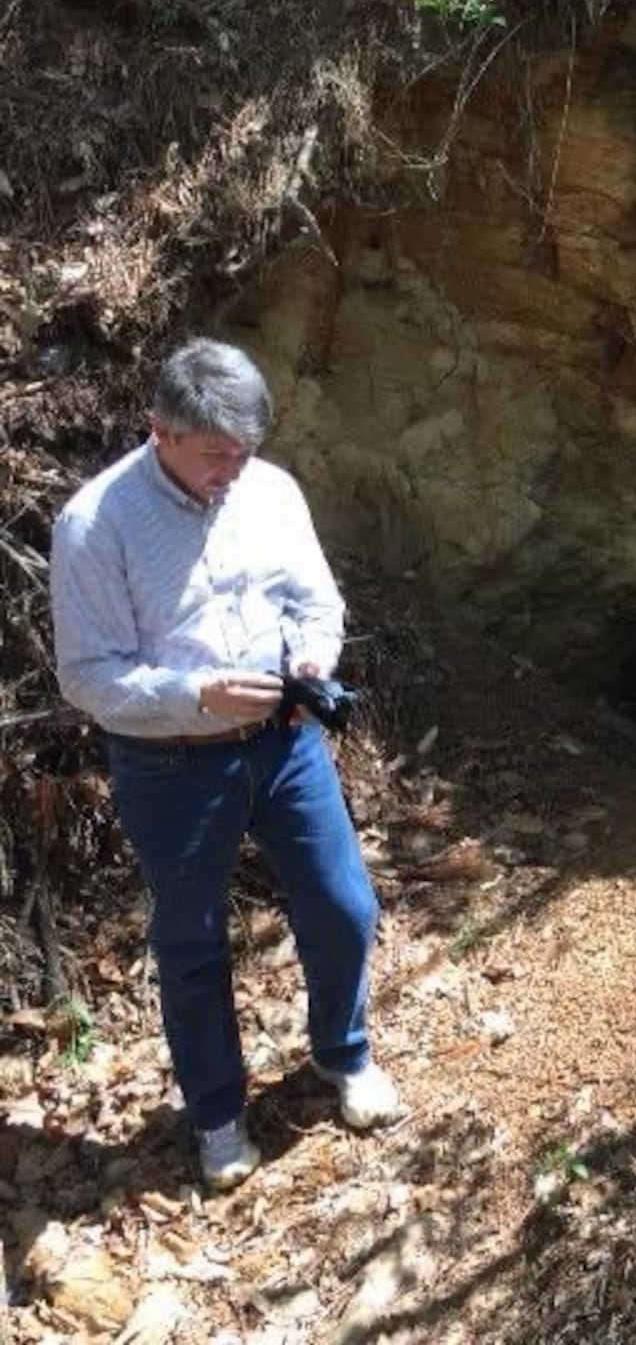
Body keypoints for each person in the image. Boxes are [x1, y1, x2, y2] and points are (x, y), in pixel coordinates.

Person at [49, 338, 401, 1190]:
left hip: (284, 742)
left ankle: (341, 1054)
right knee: (193, 941)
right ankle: (215, 1117)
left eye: (244, 452)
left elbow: (317, 601)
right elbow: (86, 677)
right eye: (215, 456)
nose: (233, 472)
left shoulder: (269, 490)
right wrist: (197, 695)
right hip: (169, 767)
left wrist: (314, 655)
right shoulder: (94, 524)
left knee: (344, 906)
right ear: (159, 431)